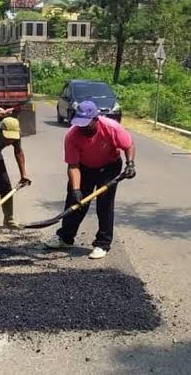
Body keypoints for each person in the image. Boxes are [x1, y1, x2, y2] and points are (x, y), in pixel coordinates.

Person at [44, 101, 136, 260]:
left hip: (109, 166)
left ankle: (102, 243)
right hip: (84, 168)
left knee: (104, 204)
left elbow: (128, 145)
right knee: (75, 203)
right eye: (80, 124)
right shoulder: (72, 136)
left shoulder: (112, 128)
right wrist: (76, 190)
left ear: (96, 119)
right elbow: (73, 166)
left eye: (86, 124)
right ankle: (65, 238)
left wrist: (130, 164)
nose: (83, 128)